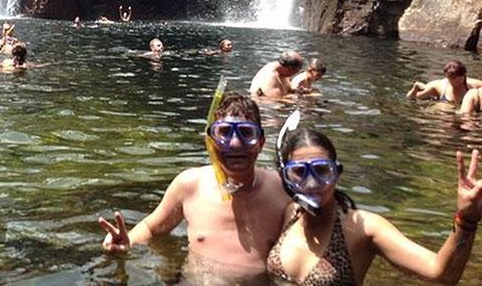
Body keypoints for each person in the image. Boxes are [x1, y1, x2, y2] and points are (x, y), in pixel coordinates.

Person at [98, 94, 290, 283]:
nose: (234, 143)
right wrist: (127, 242)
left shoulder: (282, 190)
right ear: (211, 142)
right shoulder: (190, 185)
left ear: (261, 143)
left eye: (246, 133)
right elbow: (152, 227)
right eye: (223, 133)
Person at [268, 128, 482, 285]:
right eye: (299, 172)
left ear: (337, 174)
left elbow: (441, 274)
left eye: (322, 171)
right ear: (286, 178)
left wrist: (467, 218)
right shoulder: (291, 214)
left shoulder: (364, 229)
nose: (312, 182)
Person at [407, 60, 482, 114]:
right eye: (452, 79)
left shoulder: (474, 85)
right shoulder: (439, 86)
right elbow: (412, 97)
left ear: (464, 76)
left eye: (459, 78)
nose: (455, 82)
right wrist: (414, 89)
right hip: (445, 113)